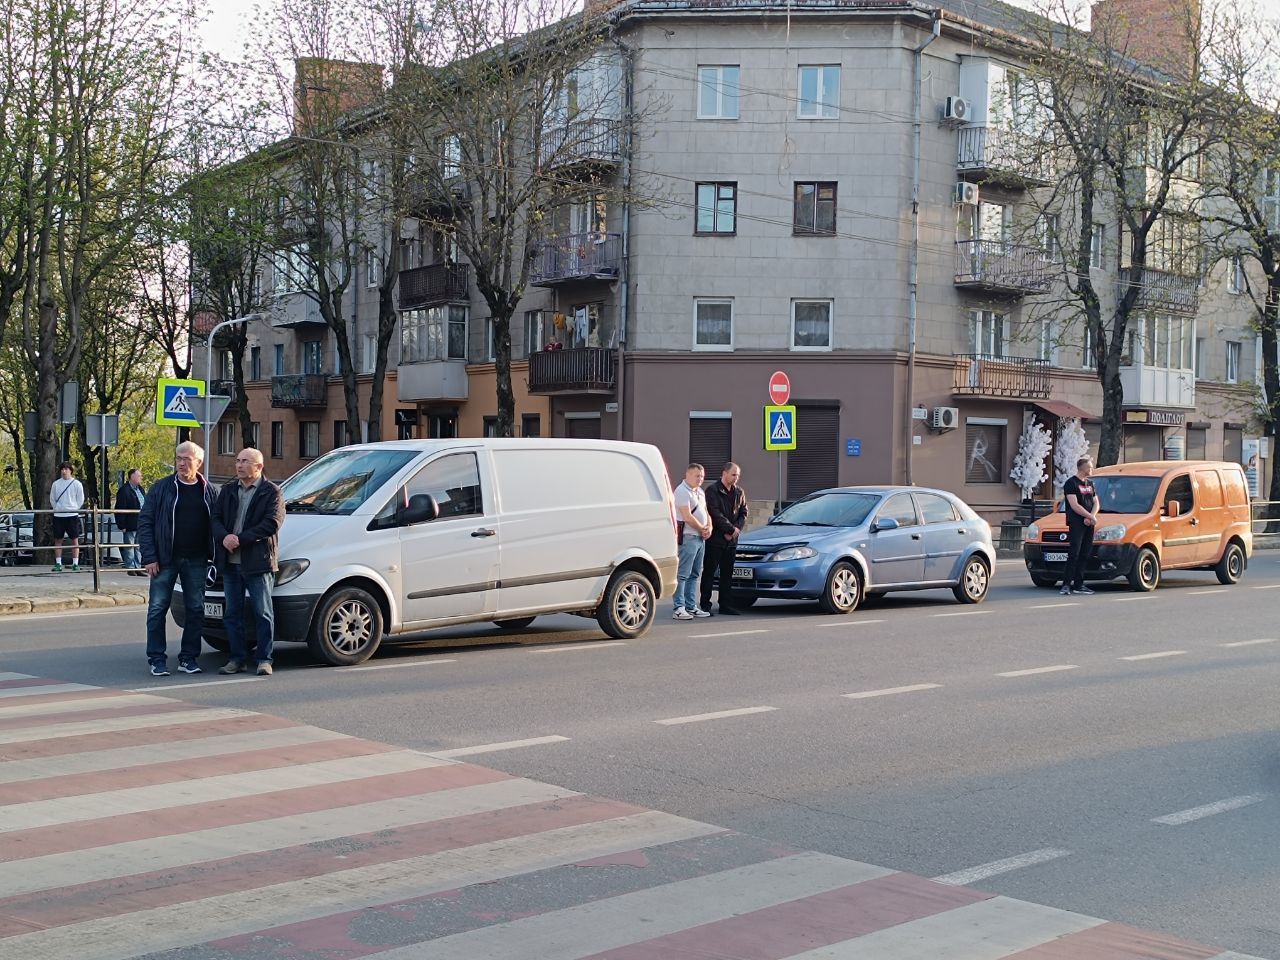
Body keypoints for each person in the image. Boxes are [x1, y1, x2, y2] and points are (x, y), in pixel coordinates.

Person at [138, 441, 217, 677]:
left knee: (195, 609)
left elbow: (218, 524)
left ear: (198, 463)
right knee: (157, 608)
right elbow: (145, 522)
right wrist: (150, 556)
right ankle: (157, 658)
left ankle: (188, 658)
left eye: (187, 459)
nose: (181, 463)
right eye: (178, 458)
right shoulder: (161, 488)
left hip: (197, 560)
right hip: (165, 559)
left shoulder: (210, 491)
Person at [214, 448, 285, 677]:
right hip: (231, 563)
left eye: (245, 461)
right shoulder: (227, 490)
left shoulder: (271, 492)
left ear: (259, 467)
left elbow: (272, 523)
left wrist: (240, 539)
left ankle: (264, 659)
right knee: (232, 613)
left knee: (262, 612)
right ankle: (237, 658)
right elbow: (214, 519)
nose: (239, 465)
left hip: (258, 562)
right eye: (237, 460)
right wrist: (224, 536)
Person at [700, 461, 748, 615]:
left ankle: (725, 604)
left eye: (738, 475)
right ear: (724, 473)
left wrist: (736, 529)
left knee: (727, 574)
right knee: (709, 572)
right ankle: (705, 604)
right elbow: (714, 513)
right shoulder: (712, 490)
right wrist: (728, 529)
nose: (736, 478)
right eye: (733, 474)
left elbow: (743, 513)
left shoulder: (739, 492)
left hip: (732, 540)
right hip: (716, 540)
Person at [672, 463, 713, 620]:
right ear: (688, 475)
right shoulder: (682, 491)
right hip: (688, 537)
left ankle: (691, 606)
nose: (700, 479)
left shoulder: (700, 492)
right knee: (683, 574)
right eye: (697, 476)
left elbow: (706, 512)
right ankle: (679, 607)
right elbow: (687, 516)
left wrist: (709, 527)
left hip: (699, 538)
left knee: (695, 574)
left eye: (702, 476)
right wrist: (703, 528)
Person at [1061, 455, 1099, 596]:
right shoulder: (1071, 483)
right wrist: (1088, 516)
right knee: (1074, 553)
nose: (1092, 469)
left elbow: (1096, 502)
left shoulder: (1090, 484)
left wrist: (1092, 517)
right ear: (1083, 468)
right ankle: (1066, 584)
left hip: (1089, 522)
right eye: (1090, 467)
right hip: (1077, 522)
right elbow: (1074, 505)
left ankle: (1079, 584)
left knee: (1085, 553)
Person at [50, 461, 85, 573]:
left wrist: (74, 508)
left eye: (66, 469)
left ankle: (75, 563)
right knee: (58, 539)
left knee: (74, 539)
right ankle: (58, 563)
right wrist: (57, 509)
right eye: (62, 469)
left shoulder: (76, 484)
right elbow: (52, 498)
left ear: (70, 470)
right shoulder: (56, 484)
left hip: (72, 515)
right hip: (59, 515)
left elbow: (80, 499)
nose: (64, 471)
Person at [114, 468, 146, 575]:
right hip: (130, 523)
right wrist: (121, 524)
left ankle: (138, 567)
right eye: (138, 476)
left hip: (141, 523)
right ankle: (131, 567)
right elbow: (120, 508)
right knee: (130, 546)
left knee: (138, 546)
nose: (140, 478)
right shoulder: (124, 491)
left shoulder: (140, 489)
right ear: (132, 477)